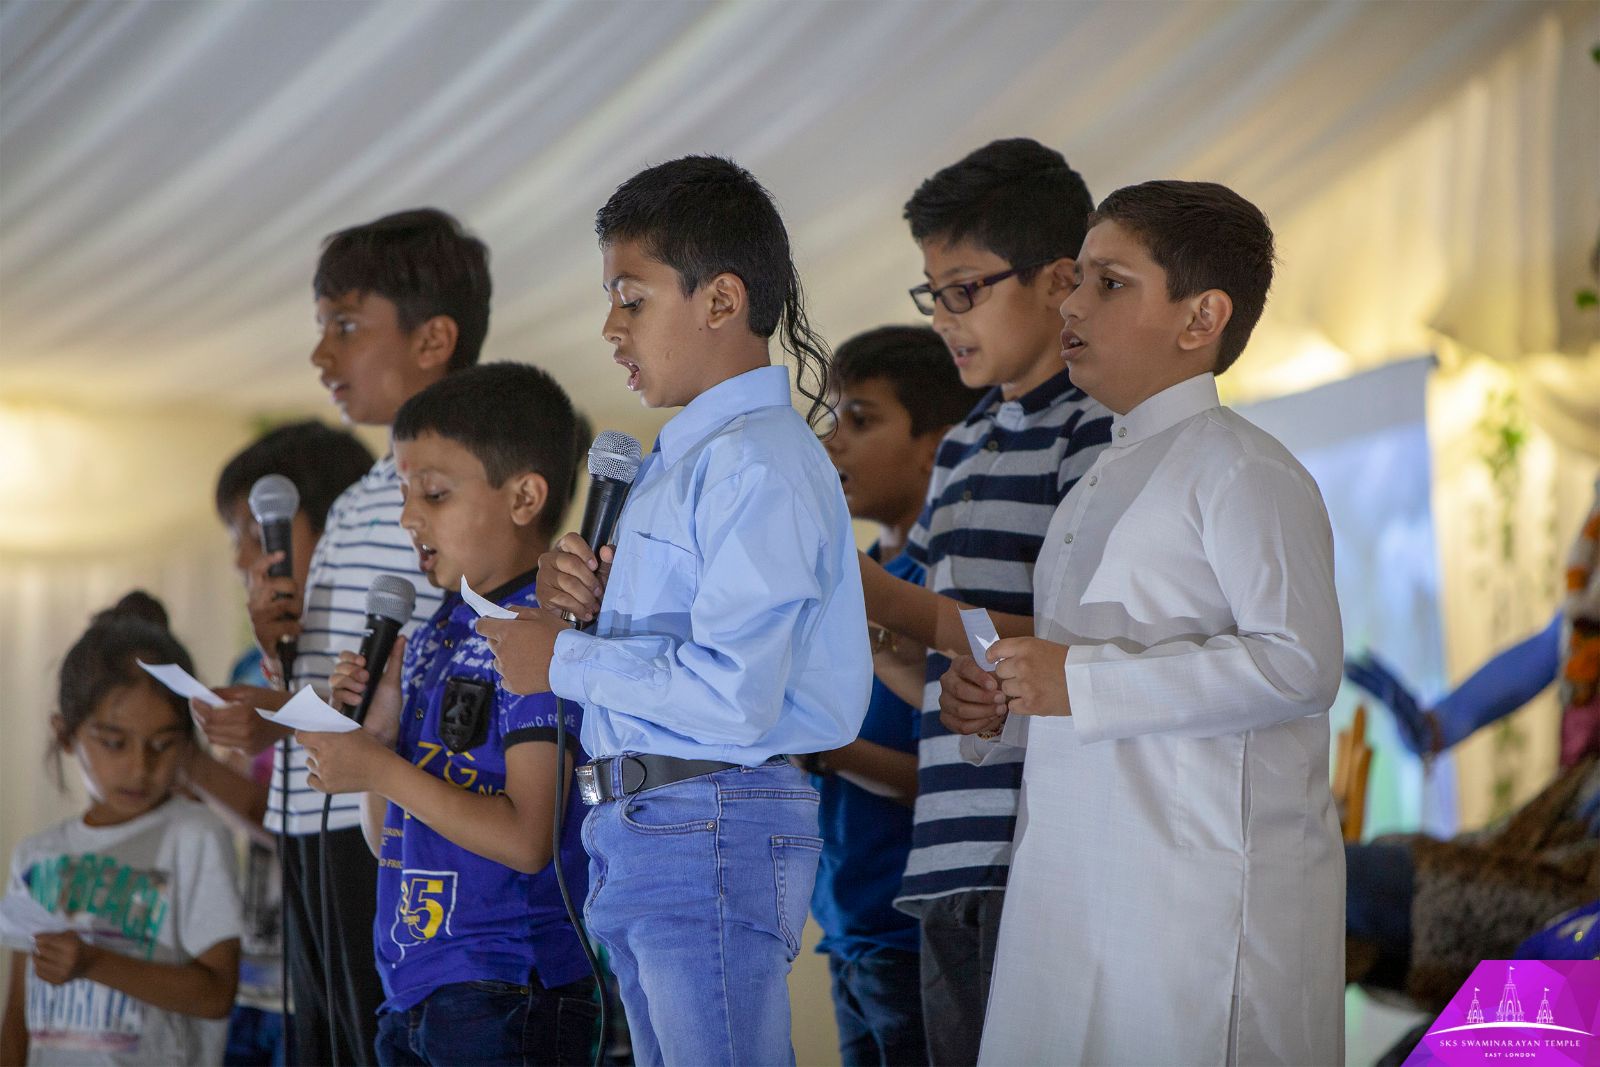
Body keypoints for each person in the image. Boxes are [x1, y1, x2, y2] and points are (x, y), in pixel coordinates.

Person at [477, 155, 871, 1067]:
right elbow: (693, 648)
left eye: (631, 297)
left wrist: (564, 663)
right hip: (660, 819)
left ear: (721, 301)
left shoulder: (755, 461)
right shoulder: (683, 460)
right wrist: (593, 616)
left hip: (710, 814)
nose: (610, 326)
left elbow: (736, 696)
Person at [939, 180, 1345, 1064]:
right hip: (1077, 887)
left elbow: (1299, 666)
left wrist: (1072, 679)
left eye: (1109, 283)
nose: (1071, 302)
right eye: (1074, 278)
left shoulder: (1246, 470)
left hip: (1196, 905)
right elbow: (1084, 689)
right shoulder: (1095, 483)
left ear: (1201, 317)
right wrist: (1001, 706)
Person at [193, 209, 488, 1065]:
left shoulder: (448, 491)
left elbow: (426, 680)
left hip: (382, 826)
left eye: (345, 326)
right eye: (321, 328)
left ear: (434, 337)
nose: (322, 355)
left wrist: (281, 714)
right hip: (307, 817)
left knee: (383, 1038)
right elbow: (342, 674)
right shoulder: (363, 494)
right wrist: (278, 655)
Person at [852, 137, 1113, 1065]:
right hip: (948, 848)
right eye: (934, 293)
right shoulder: (964, 444)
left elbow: (1081, 645)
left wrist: (885, 594)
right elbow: (923, 647)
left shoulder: (1096, 430)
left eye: (965, 289)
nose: (945, 318)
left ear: (1058, 280)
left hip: (1037, 843)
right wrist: (858, 618)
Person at [294, 364, 597, 1066]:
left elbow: (528, 838)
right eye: (404, 494)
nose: (408, 517)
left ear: (524, 495)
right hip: (413, 981)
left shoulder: (539, 635)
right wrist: (375, 738)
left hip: (506, 983)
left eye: (433, 492)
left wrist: (379, 764)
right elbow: (386, 837)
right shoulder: (434, 633)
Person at [1343, 478, 1600, 1007]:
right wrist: (1436, 723)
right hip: (1556, 832)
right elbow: (1554, 643)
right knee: (1351, 876)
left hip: (1576, 894)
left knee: (1342, 882)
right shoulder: (1588, 595)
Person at [802, 325, 984, 1066]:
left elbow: (957, 772)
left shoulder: (943, 588)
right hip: (843, 926)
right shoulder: (843, 576)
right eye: (831, 418)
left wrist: (827, 751)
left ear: (937, 446)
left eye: (861, 419)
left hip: (915, 930)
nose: (832, 443)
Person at [190, 421, 376, 1065]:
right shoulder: (267, 655)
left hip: (363, 852)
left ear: (334, 524)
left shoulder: (381, 628)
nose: (242, 558)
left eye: (252, 532)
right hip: (296, 878)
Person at [2, 594, 243, 1066]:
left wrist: (94, 963)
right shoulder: (36, 857)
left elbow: (216, 993)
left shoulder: (195, 835)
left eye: (163, 744)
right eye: (115, 743)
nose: (140, 767)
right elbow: (16, 1021)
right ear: (66, 733)